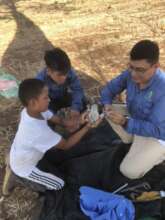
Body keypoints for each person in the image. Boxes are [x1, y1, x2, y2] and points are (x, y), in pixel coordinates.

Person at [9, 79, 101, 191]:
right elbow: (66, 145)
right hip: (25, 167)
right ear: (33, 102)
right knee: (59, 185)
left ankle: (13, 161)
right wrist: (87, 127)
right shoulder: (37, 130)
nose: (49, 99)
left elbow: (63, 122)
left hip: (24, 153)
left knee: (55, 158)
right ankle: (18, 178)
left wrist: (80, 121)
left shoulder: (33, 111)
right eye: (45, 98)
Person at [100, 40, 165, 179]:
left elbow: (158, 130)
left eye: (140, 70)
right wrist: (107, 105)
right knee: (106, 112)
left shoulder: (163, 89)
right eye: (131, 67)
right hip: (135, 120)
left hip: (157, 135)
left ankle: (159, 154)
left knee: (129, 171)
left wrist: (125, 122)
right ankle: (132, 140)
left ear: (155, 66)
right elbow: (109, 90)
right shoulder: (131, 73)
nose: (134, 74)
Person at [36, 48, 86, 122]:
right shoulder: (40, 81)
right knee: (44, 119)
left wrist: (76, 108)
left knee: (84, 101)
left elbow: (77, 89)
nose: (64, 78)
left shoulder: (69, 71)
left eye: (66, 73)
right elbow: (41, 105)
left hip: (64, 96)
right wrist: (60, 121)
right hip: (49, 103)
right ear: (49, 71)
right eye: (60, 75)